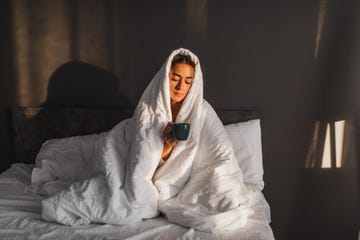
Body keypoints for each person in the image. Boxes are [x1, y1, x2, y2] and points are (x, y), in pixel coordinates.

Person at [35, 48, 254, 232]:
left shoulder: (202, 111)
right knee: (123, 195)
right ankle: (57, 159)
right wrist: (166, 147)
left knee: (221, 187)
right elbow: (140, 164)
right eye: (175, 78)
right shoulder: (149, 109)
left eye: (188, 81)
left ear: (194, 84)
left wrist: (224, 183)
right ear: (165, 76)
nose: (180, 87)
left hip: (178, 179)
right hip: (123, 153)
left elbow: (220, 152)